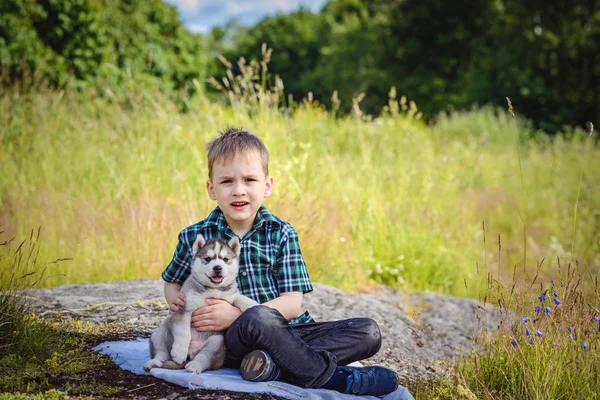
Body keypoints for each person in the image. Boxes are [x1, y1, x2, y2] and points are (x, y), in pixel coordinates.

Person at [160, 127, 400, 396]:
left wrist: (239, 313)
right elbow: (172, 282)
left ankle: (274, 367)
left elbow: (292, 303)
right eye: (227, 182)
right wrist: (176, 301)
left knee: (368, 332)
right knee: (259, 318)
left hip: (288, 332)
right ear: (211, 189)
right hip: (228, 342)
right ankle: (334, 379)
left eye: (249, 180)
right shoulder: (195, 235)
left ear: (267, 185)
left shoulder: (281, 233)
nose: (239, 190)